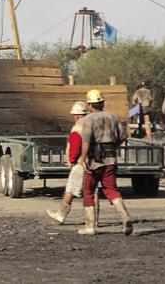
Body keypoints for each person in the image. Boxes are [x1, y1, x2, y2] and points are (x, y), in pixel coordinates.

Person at [78, 89, 133, 236]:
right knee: (111, 189)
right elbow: (124, 135)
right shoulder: (113, 117)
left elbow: (86, 141)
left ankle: (90, 226)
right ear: (102, 103)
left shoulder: (88, 119)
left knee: (88, 190)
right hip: (110, 159)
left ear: (90, 105)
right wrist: (114, 146)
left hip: (94, 160)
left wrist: (83, 158)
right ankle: (125, 217)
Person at [46, 101, 87, 224]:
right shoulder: (92, 125)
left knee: (70, 189)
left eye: (74, 114)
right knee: (92, 191)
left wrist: (72, 160)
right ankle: (93, 218)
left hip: (80, 163)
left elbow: (75, 146)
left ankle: (61, 214)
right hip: (93, 162)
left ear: (77, 115)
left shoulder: (77, 128)